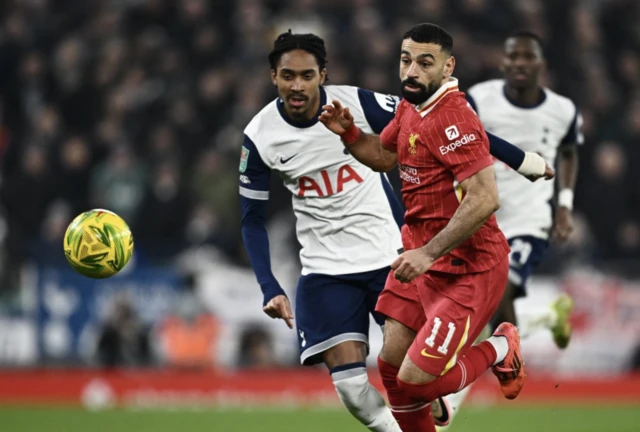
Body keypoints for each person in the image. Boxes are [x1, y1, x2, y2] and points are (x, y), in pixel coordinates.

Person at [240, 30, 551, 431]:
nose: (297, 85)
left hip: (392, 254)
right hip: (326, 267)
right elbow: (252, 217)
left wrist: (522, 160)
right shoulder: (260, 135)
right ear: (273, 78)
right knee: (363, 386)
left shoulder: (359, 102)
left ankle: (487, 356)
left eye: (306, 75)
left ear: (323, 76)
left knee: (414, 377)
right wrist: (269, 285)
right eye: (287, 76)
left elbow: (455, 130)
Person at [319, 23, 539, 432]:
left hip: (469, 269)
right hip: (421, 259)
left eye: (425, 63)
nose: (412, 72)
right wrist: (349, 133)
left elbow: (485, 197)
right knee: (390, 368)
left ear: (447, 66)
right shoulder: (409, 107)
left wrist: (427, 253)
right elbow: (384, 156)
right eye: (406, 61)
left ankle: (499, 346)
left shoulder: (454, 119)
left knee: (416, 383)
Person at [437, 30, 582, 430]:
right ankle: (543, 319)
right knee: (485, 316)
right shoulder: (479, 99)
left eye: (526, 57)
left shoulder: (563, 110)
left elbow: (569, 151)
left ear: (540, 64)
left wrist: (564, 206)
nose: (519, 63)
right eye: (511, 57)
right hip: (482, 219)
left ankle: (449, 401)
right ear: (502, 64)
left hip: (530, 223)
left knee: (497, 293)